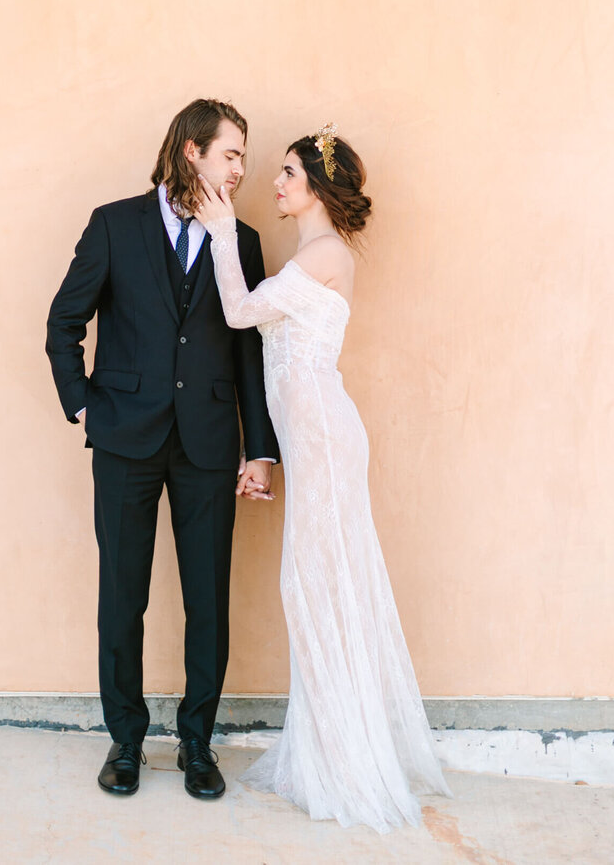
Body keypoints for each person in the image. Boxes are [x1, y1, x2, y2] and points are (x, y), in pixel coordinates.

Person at [193, 124, 451, 830]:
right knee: (312, 586)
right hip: (313, 446)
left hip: (330, 445)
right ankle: (328, 751)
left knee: (322, 586)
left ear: (316, 185)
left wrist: (220, 231)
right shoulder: (310, 252)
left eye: (286, 174)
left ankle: (346, 760)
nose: (274, 183)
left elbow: (241, 311)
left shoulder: (329, 252)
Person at [46, 99, 279, 800]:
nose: (241, 167)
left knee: (207, 599)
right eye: (231, 153)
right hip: (125, 439)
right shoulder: (115, 224)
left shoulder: (244, 240)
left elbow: (249, 356)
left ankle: (198, 743)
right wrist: (84, 402)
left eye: (243, 155)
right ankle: (126, 738)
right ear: (191, 152)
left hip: (209, 443)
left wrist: (259, 448)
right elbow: (64, 322)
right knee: (123, 593)